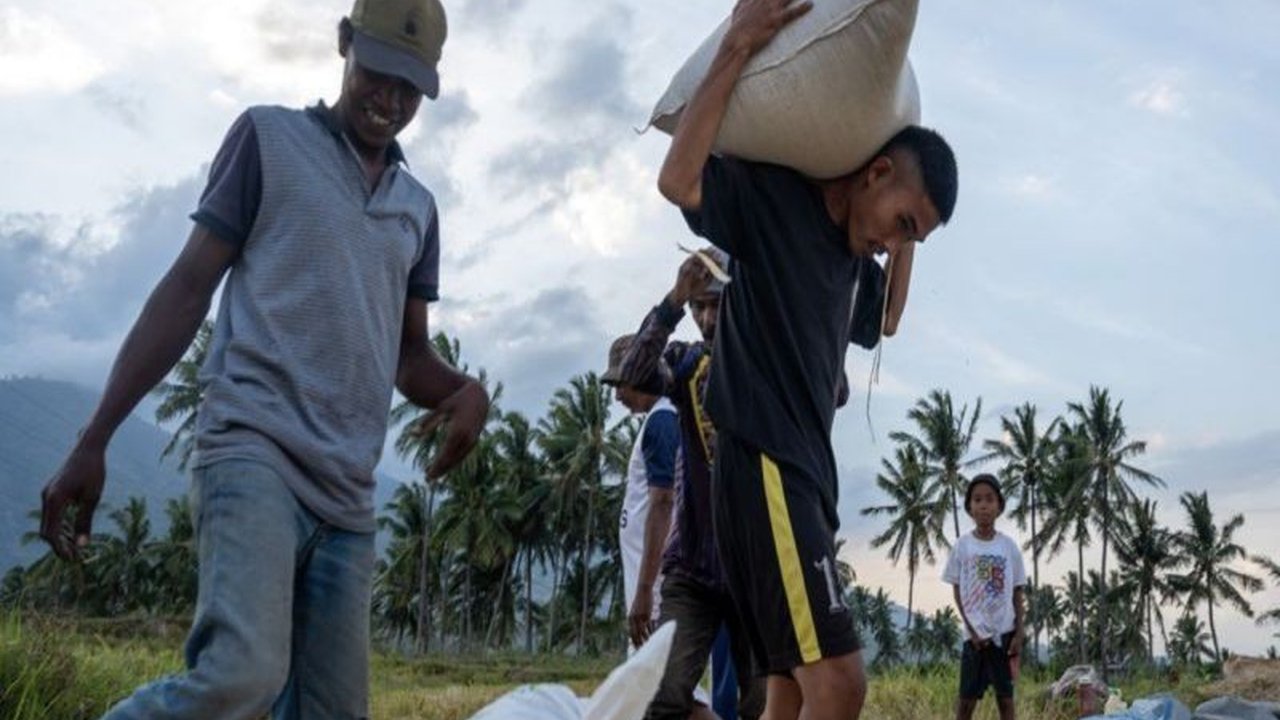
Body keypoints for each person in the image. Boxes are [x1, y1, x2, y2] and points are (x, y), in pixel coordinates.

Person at [37, 1, 489, 717]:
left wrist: (466, 393)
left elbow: (407, 355)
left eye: (411, 88)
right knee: (240, 676)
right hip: (254, 452)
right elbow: (187, 289)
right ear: (344, 44)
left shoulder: (418, 209)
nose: (390, 100)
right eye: (379, 73)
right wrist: (94, 438)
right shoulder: (268, 140)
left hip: (347, 495)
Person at [655, 0, 959, 716]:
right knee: (839, 681)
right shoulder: (777, 202)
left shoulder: (855, 262)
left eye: (912, 237)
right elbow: (678, 180)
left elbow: (885, 320)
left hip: (797, 476)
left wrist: (908, 229)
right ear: (876, 173)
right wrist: (738, 44)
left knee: (788, 691)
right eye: (902, 222)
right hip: (764, 458)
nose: (895, 241)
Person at [617, 249, 765, 720]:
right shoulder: (686, 363)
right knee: (659, 695)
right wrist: (672, 300)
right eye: (699, 306)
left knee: (764, 702)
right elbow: (636, 374)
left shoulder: (770, 362)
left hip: (758, 569)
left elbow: (835, 388)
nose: (705, 317)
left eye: (716, 304)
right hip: (694, 568)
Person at [602, 335, 680, 655]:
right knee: (658, 691)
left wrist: (646, 590)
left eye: (621, 384)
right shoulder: (657, 420)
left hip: (656, 586)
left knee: (653, 687)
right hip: (649, 582)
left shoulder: (662, 421)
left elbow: (663, 501)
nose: (618, 395)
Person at [943, 475, 1027, 720]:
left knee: (1006, 700)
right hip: (974, 638)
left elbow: (1017, 591)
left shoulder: (1009, 547)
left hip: (1004, 636)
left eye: (989, 499)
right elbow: (958, 591)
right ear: (969, 507)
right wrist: (971, 629)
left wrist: (1019, 633)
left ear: (999, 506)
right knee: (966, 701)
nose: (983, 505)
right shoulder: (963, 546)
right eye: (977, 499)